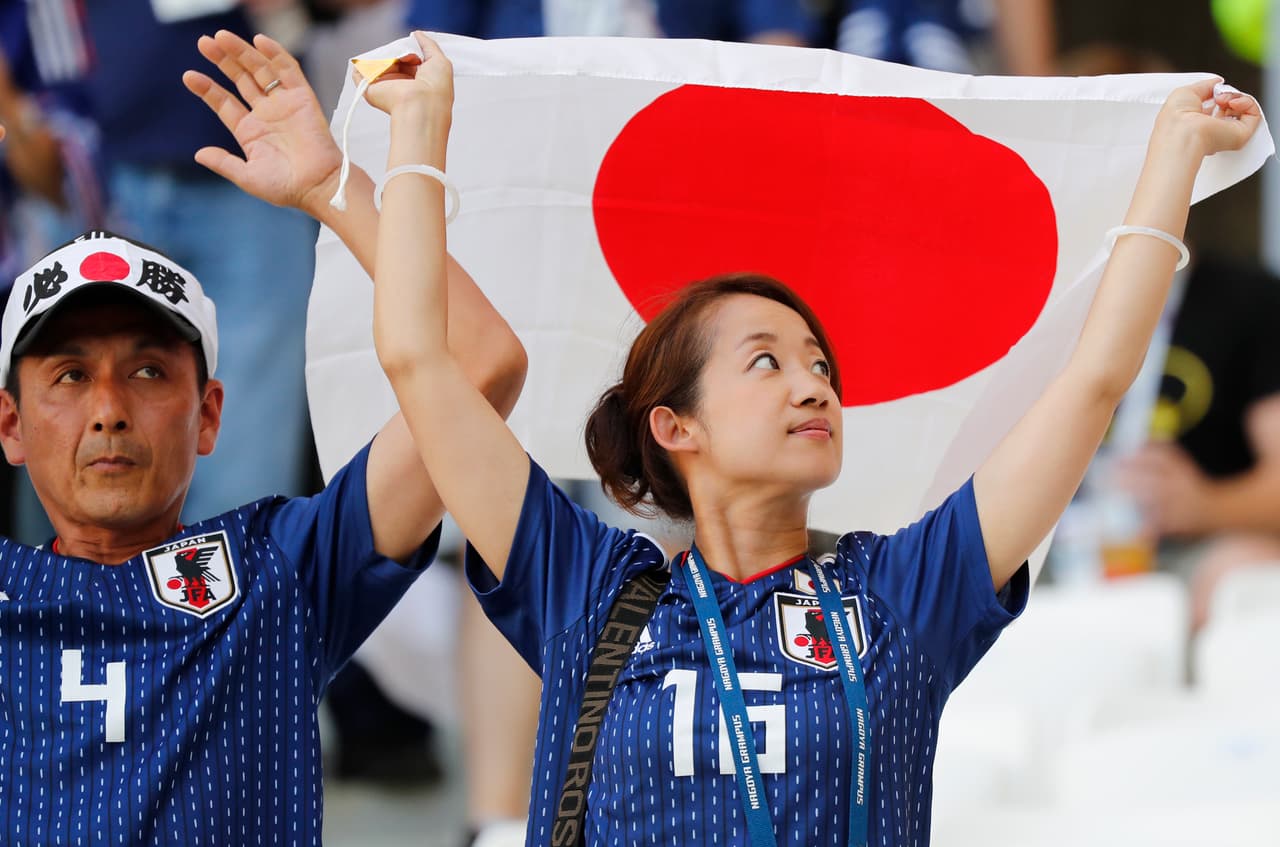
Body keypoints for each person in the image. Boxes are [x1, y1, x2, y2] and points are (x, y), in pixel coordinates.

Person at [363, 31, 1259, 846]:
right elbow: (420, 361)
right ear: (675, 425)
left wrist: (1175, 158)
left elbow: (1091, 382)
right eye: (767, 361)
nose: (813, 384)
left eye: (821, 364)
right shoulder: (587, 586)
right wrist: (416, 129)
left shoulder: (902, 592)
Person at [0, 30, 526, 845]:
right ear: (12, 424)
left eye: (147, 370)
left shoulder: (280, 568)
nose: (108, 409)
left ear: (209, 413)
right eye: (70, 375)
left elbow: (481, 364)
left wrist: (333, 188)